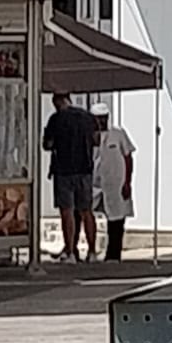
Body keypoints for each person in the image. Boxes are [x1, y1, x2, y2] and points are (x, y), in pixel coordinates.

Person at [42, 93, 97, 262]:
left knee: (67, 212)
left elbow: (48, 145)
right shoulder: (87, 117)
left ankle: (71, 252)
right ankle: (92, 252)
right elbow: (96, 140)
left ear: (57, 102)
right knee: (87, 211)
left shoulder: (56, 118)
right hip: (85, 169)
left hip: (64, 170)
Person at [92, 109, 136, 261]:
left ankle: (114, 254)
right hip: (95, 185)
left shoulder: (117, 134)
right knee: (85, 214)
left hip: (116, 184)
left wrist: (127, 182)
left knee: (117, 220)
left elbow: (128, 157)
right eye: (98, 118)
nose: (101, 122)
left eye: (104, 118)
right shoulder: (90, 136)